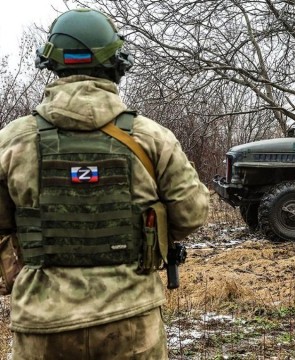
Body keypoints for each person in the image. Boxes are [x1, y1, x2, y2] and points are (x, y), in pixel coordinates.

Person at [0, 8, 209, 359]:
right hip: (131, 322)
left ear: (52, 65)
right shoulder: (151, 138)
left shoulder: (12, 141)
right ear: (116, 64)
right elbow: (191, 214)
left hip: (43, 324)